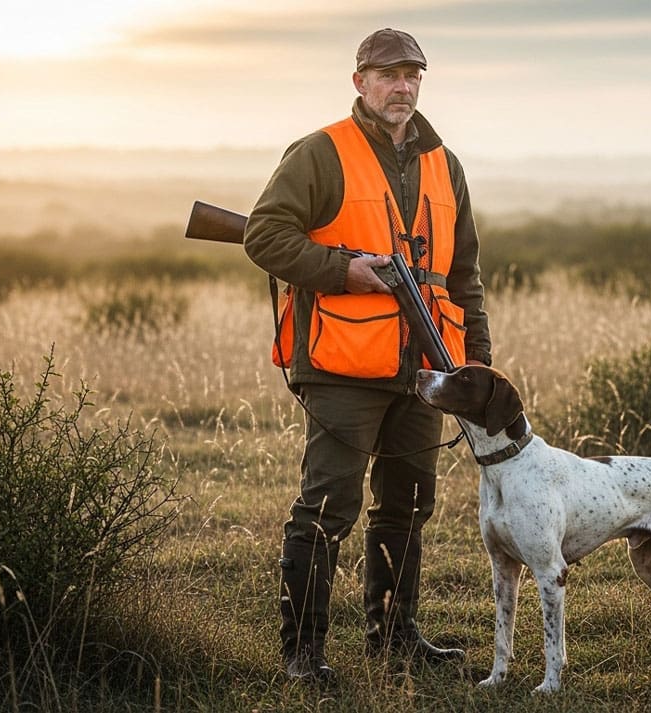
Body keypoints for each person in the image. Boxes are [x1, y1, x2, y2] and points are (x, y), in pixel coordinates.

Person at [243, 28, 492, 684]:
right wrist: (342, 271)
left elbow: (463, 277)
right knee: (327, 507)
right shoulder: (321, 152)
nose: (401, 86)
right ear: (360, 82)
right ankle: (301, 654)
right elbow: (263, 233)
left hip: (425, 371)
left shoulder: (445, 164)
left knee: (408, 504)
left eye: (412, 74)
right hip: (341, 365)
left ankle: (396, 639)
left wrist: (477, 367)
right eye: (387, 75)